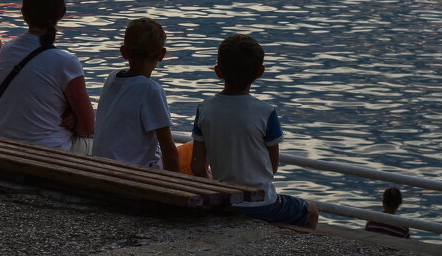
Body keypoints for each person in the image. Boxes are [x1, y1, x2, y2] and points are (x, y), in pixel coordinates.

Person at [191, 34, 318, 230]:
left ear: (218, 72)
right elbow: (272, 168)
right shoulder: (266, 112)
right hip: (262, 205)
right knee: (311, 211)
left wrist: (218, 189)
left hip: (224, 203)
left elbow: (198, 166)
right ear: (260, 72)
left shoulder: (204, 109)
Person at [0, 0, 94, 150]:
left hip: (1, 148)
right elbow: (87, 128)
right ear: (62, 13)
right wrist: (74, 119)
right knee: (92, 144)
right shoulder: (66, 63)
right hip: (48, 154)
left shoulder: (6, 51)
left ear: (23, 13)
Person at [91, 17, 179, 170]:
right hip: (135, 176)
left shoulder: (112, 78)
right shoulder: (150, 90)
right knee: (188, 151)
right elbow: (169, 151)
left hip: (102, 169)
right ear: (161, 54)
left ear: (124, 52)